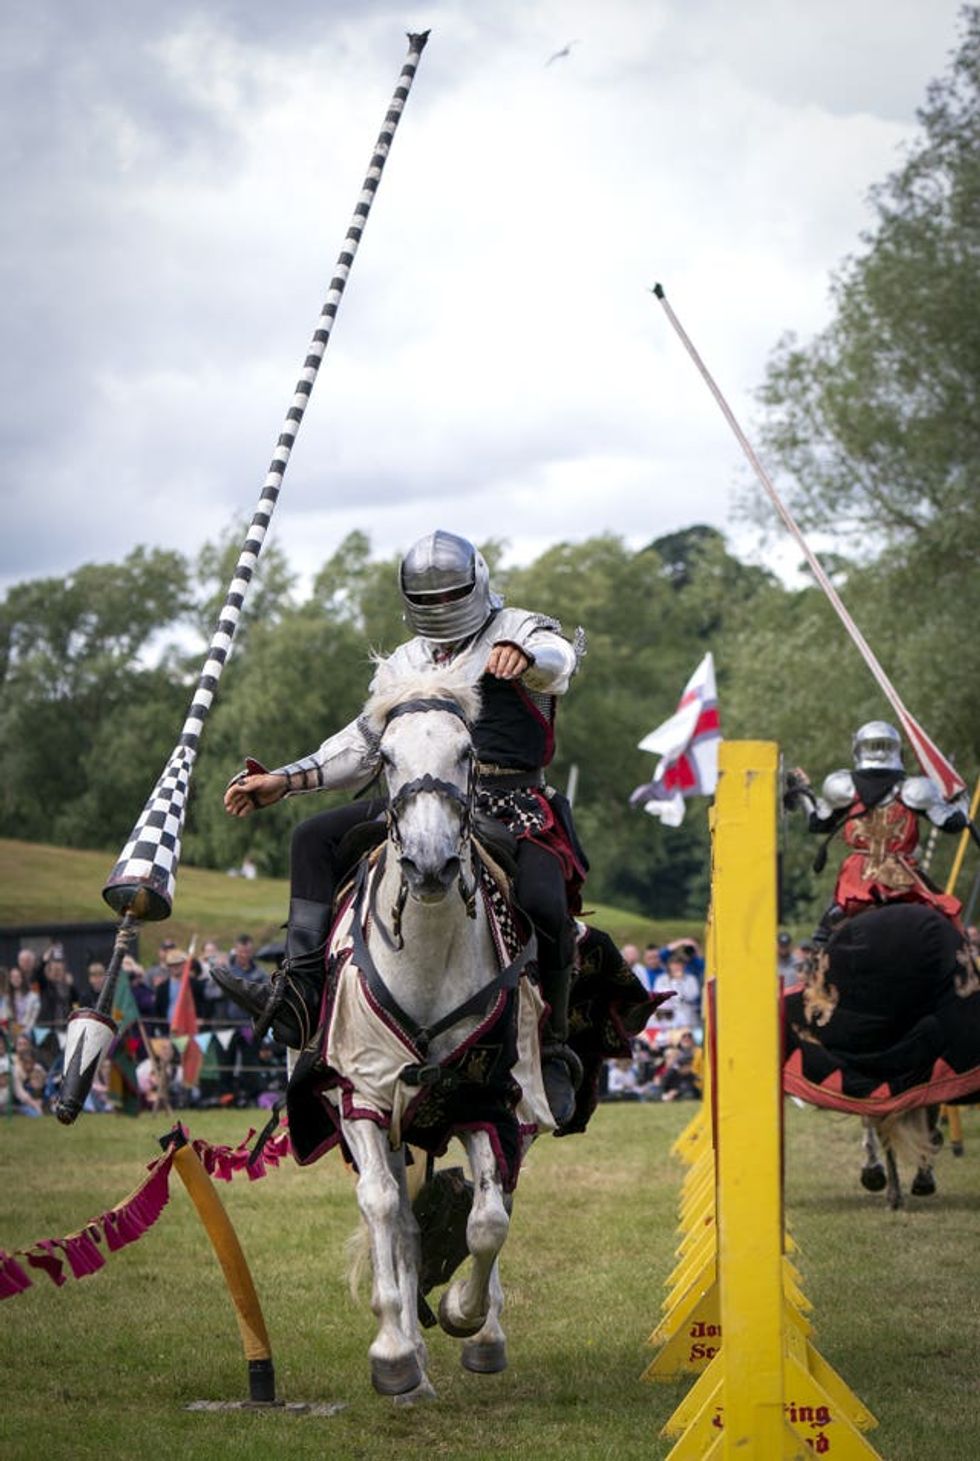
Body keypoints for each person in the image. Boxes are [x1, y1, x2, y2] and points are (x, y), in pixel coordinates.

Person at [216, 529, 587, 1125]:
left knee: (545, 900)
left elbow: (560, 662)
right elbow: (363, 743)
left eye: (450, 595)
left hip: (509, 804)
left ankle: (553, 1045)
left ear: (476, 583)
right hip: (417, 802)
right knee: (311, 839)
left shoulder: (519, 627)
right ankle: (300, 994)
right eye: (429, 599)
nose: (441, 607)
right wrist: (285, 780)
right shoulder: (403, 664)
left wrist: (527, 658)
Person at [785, 721, 971, 945]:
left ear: (858, 749)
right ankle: (963, 958)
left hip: (859, 875)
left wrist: (803, 793)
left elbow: (818, 823)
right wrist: (962, 801)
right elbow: (952, 824)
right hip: (900, 874)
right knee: (947, 920)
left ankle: (821, 951)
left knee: (826, 931)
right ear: (897, 751)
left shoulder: (843, 787)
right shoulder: (916, 789)